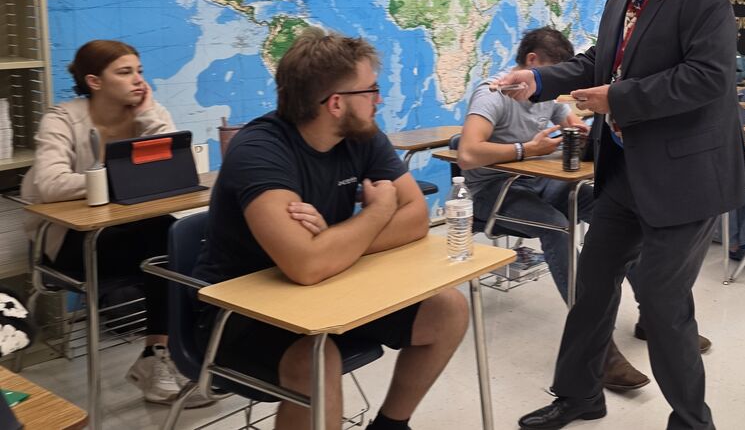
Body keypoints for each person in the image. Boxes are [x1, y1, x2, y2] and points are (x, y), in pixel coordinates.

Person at [498, 0, 745, 430]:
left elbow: (709, 77)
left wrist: (619, 98)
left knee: (661, 296)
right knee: (592, 283)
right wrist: (539, 81)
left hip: (685, 179)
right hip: (624, 174)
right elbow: (597, 63)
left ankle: (691, 422)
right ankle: (579, 396)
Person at [192, 28, 468, 430]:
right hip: (240, 313)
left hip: (331, 289)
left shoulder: (361, 135)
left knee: (449, 309)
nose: (379, 99)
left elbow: (416, 218)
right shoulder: (259, 152)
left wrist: (333, 243)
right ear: (336, 103)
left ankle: (390, 426)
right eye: (371, 90)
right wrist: (374, 214)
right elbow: (304, 265)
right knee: (318, 361)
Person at [20, 40, 218, 406]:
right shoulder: (62, 119)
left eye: (139, 71)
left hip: (130, 236)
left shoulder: (145, 112)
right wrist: (121, 180)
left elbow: (174, 166)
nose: (138, 81)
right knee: (166, 246)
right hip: (69, 245)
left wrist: (149, 115)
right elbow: (49, 184)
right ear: (95, 81)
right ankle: (162, 357)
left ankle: (163, 353)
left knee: (174, 241)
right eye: (125, 73)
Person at [458, 25, 651, 391]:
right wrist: (524, 151)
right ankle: (598, 349)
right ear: (533, 63)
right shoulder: (493, 94)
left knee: (618, 212)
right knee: (557, 228)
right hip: (493, 193)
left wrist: (584, 128)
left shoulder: (547, 97)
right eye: (553, 70)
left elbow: (574, 126)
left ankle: (652, 315)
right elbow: (468, 153)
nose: (556, 82)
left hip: (534, 184)